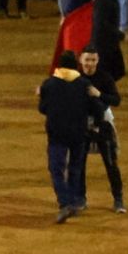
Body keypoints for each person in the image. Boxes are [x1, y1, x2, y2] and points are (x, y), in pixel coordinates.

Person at [39, 49, 88, 222]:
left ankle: (65, 202)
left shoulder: (49, 84)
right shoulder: (83, 84)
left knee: (56, 169)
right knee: (75, 168)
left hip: (57, 133)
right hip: (78, 133)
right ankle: (74, 201)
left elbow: (42, 108)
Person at [78, 47, 124, 212]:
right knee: (79, 163)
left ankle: (118, 199)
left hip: (103, 123)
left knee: (110, 162)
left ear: (97, 61)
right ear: (80, 60)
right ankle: (80, 198)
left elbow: (116, 100)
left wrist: (99, 94)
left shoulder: (105, 77)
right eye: (87, 60)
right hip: (82, 124)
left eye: (93, 60)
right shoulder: (75, 77)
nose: (90, 64)